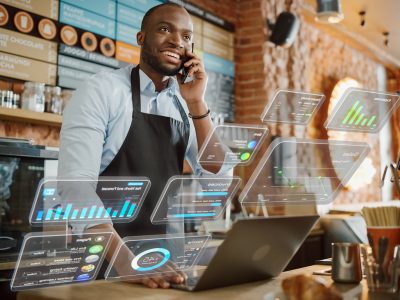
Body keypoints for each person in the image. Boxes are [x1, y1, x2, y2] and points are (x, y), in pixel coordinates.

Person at [57, 3, 231, 288]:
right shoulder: (102, 90)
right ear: (141, 38)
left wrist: (198, 103)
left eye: (187, 37)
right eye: (165, 29)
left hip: (167, 263)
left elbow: (218, 183)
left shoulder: (188, 104)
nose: (177, 41)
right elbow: (74, 186)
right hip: (105, 262)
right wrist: (127, 262)